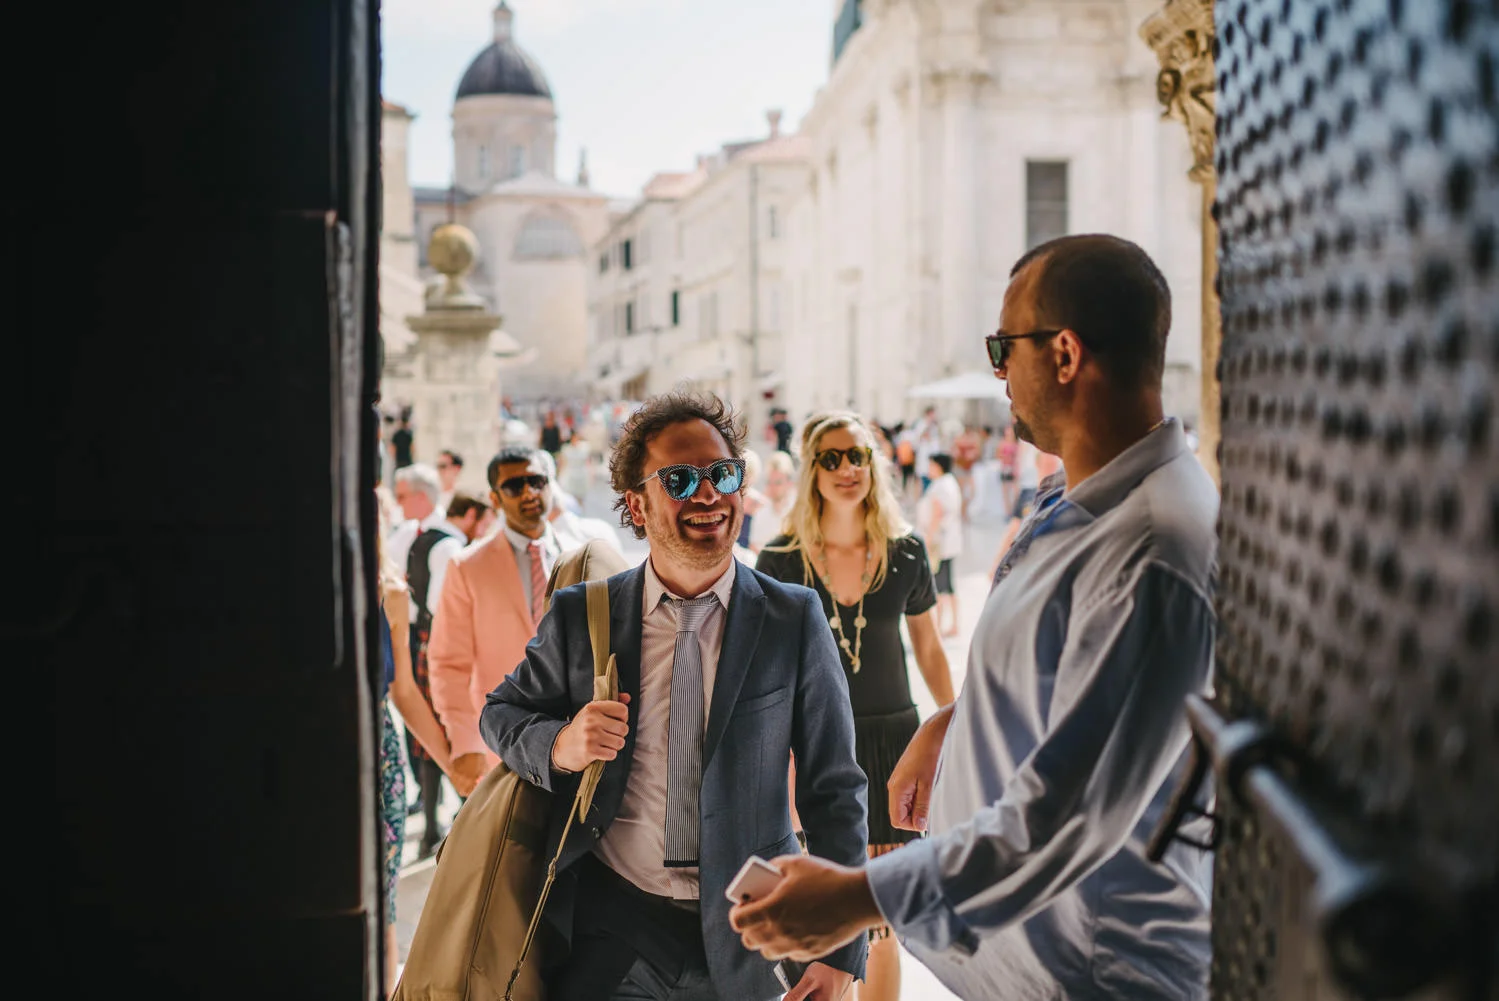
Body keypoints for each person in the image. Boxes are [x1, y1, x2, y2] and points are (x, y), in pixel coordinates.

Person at [730, 233, 1218, 1001]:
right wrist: (956, 721)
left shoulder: (1153, 550)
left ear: (1063, 354)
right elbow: (1076, 674)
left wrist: (855, 895)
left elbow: (1064, 817)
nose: (998, 374)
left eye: (1002, 348)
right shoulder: (1075, 499)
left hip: (1095, 977)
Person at [481, 391, 870, 1001]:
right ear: (636, 504)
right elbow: (500, 714)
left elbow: (835, 789)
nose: (708, 494)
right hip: (612, 932)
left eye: (723, 474)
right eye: (681, 480)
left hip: (750, 935)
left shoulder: (793, 617)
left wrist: (839, 944)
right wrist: (561, 744)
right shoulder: (584, 614)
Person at [755, 411, 955, 1001]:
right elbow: (768, 671)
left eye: (858, 456)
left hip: (896, 747)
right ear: (812, 471)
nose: (847, 469)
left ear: (874, 466)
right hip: (818, 751)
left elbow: (929, 649)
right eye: (832, 458)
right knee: (833, 925)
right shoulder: (782, 560)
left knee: (882, 923)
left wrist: (956, 723)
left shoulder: (907, 551)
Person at [427, 446, 567, 799]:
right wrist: (465, 742)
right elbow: (448, 664)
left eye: (537, 481)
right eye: (514, 486)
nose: (529, 492)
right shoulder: (467, 567)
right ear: (495, 497)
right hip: (501, 744)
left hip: (575, 740)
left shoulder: (580, 555)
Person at [374, 507, 454, 996]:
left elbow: (404, 691)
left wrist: (454, 766)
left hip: (379, 760)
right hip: (322, 755)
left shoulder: (392, 594)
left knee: (383, 900)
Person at [404, 492, 490, 857]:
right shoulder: (451, 548)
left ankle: (433, 827)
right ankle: (454, 823)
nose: (482, 530)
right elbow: (441, 606)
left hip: (420, 640)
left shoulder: (421, 539)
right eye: (482, 521)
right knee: (454, 734)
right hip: (443, 646)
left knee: (431, 739)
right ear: (470, 515)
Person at [917, 453, 964, 638]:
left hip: (941, 542)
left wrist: (929, 539)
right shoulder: (949, 483)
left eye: (931, 465)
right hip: (949, 539)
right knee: (949, 585)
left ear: (938, 466)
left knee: (939, 586)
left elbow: (937, 513)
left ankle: (938, 625)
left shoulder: (940, 487)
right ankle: (953, 624)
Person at [386, 462, 443, 578]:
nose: (398, 503)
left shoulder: (447, 533)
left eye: (401, 497)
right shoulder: (407, 530)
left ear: (421, 497)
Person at [746, 450, 796, 553]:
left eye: (778, 482)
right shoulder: (760, 509)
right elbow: (754, 545)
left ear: (789, 483)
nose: (773, 487)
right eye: (769, 482)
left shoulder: (798, 509)